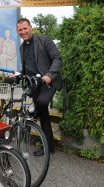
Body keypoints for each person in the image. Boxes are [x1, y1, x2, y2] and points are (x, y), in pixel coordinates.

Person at [16, 18, 63, 155]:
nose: (23, 32)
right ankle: (49, 147)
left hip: (49, 81)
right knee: (44, 115)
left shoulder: (44, 40)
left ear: (31, 27)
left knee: (41, 104)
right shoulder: (21, 47)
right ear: (17, 31)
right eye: (20, 30)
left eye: (25, 28)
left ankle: (31, 115)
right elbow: (27, 67)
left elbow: (57, 59)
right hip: (34, 84)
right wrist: (18, 75)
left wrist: (49, 75)